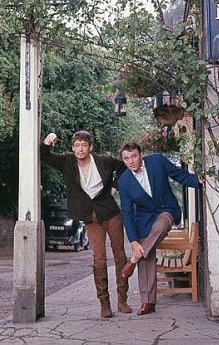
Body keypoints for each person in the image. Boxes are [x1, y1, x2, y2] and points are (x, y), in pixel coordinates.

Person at [41, 131, 131, 318]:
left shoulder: (103, 161)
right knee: (99, 258)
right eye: (77, 145)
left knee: (120, 254)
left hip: (110, 212)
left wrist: (114, 186)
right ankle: (104, 303)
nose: (80, 149)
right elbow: (44, 156)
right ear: (72, 148)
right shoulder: (67, 162)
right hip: (91, 217)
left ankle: (122, 299)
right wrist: (47, 142)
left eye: (84, 145)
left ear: (90, 147)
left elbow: (123, 165)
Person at [118, 141, 203, 315]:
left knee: (161, 226)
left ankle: (133, 260)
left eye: (133, 156)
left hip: (166, 209)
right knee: (144, 250)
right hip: (143, 219)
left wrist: (198, 181)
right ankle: (148, 302)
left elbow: (178, 175)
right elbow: (127, 213)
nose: (130, 161)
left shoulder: (157, 161)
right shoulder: (124, 181)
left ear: (140, 154)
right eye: (126, 158)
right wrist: (134, 242)